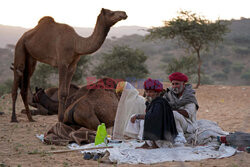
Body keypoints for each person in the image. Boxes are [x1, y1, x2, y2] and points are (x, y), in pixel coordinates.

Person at [129, 78, 178, 149]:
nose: (148, 94)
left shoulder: (160, 103)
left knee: (146, 120)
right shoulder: (151, 102)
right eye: (147, 92)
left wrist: (137, 116)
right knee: (140, 119)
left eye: (151, 92)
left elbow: (153, 117)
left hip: (163, 134)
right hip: (157, 129)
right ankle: (147, 143)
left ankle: (154, 144)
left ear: (157, 92)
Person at [163, 72, 199, 144]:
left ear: (183, 84)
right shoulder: (169, 94)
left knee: (174, 113)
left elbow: (188, 113)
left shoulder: (189, 96)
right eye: (173, 84)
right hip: (171, 122)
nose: (174, 86)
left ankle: (180, 137)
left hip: (188, 124)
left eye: (177, 84)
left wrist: (170, 110)